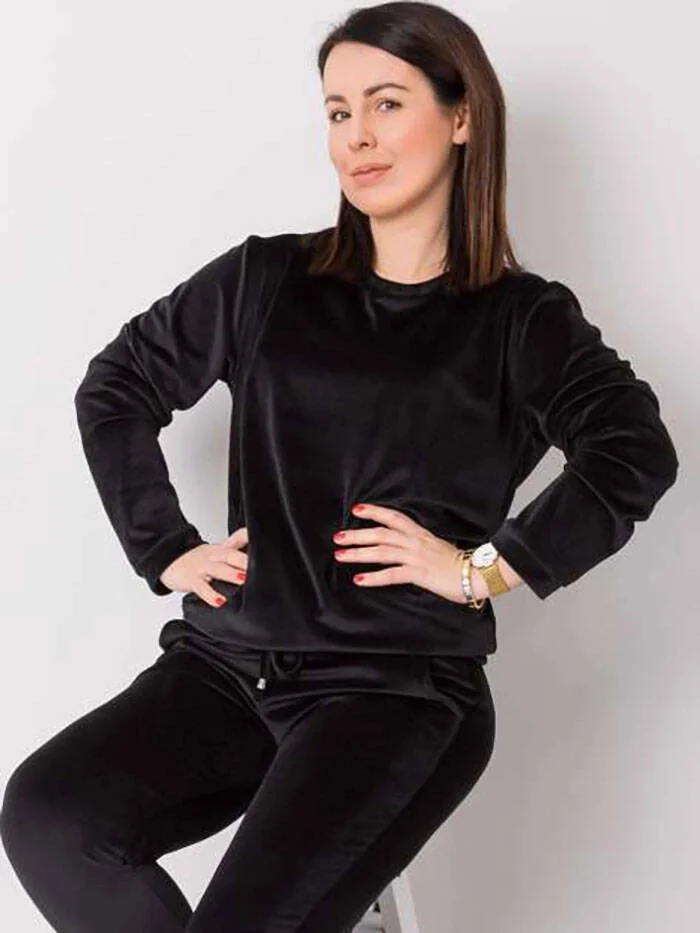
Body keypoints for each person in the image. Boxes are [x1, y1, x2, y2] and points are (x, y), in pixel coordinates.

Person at [0, 3, 679, 932]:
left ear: (462, 115)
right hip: (231, 663)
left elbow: (634, 447)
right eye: (336, 111)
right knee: (51, 817)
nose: (356, 135)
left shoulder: (523, 320)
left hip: (395, 689)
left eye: (387, 103)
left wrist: (482, 569)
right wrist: (166, 547)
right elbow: (116, 387)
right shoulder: (264, 279)